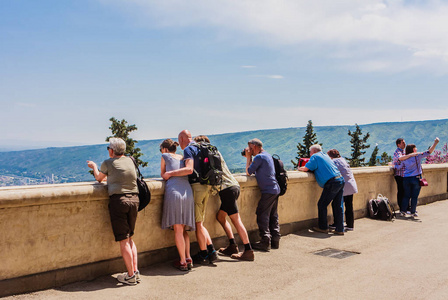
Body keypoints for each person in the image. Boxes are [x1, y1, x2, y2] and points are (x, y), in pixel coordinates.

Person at [87, 137, 140, 285]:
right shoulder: (130, 161)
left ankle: (130, 276)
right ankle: (135, 271)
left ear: (112, 150)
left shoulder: (108, 163)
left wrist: (94, 166)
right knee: (130, 238)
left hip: (119, 201)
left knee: (123, 239)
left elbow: (99, 178)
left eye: (108, 148)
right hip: (135, 199)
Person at [194, 135, 254, 261]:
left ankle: (248, 250)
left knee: (236, 220)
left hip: (226, 190)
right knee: (220, 216)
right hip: (233, 186)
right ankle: (232, 245)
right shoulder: (215, 153)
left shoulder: (206, 155)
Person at [162, 130, 217, 265]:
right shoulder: (198, 148)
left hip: (190, 189)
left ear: (181, 139)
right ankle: (200, 254)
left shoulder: (187, 150)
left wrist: (170, 173)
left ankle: (201, 254)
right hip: (202, 187)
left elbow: (189, 170)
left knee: (193, 225)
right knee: (192, 225)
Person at [160, 139, 195, 271]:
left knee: (178, 230)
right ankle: (188, 257)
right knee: (184, 229)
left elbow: (163, 175)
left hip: (174, 192)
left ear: (164, 149)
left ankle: (182, 262)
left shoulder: (165, 156)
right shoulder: (183, 157)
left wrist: (167, 174)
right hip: (187, 192)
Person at [298, 144, 345, 235]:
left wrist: (299, 168)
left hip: (331, 183)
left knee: (322, 204)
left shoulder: (315, 156)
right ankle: (340, 229)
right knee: (338, 205)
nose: (310, 154)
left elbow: (306, 168)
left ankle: (323, 227)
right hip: (340, 180)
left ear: (314, 151)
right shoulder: (325, 155)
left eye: (310, 152)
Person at [244, 138, 280, 251]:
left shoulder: (259, 157)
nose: (249, 150)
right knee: (273, 215)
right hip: (275, 188)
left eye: (250, 148)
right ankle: (275, 240)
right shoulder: (267, 155)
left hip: (268, 190)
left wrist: (248, 158)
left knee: (262, 214)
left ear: (254, 147)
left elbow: (248, 172)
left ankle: (265, 241)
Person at [398, 137, 439, 217]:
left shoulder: (405, 158)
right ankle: (413, 212)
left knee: (406, 195)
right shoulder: (417, 156)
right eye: (415, 148)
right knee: (414, 196)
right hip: (416, 178)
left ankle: (403, 211)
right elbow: (429, 152)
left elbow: (400, 166)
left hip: (406, 179)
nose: (416, 149)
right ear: (413, 150)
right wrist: (435, 143)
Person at [327, 149, 358, 231]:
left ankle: (337, 223)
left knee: (336, 204)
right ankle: (350, 225)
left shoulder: (334, 162)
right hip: (351, 184)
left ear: (330, 156)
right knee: (349, 205)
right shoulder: (343, 160)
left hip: (344, 186)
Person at [393, 138, 408, 211]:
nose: (404, 144)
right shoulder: (397, 152)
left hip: (405, 174)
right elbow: (400, 158)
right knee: (401, 191)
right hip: (399, 175)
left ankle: (407, 207)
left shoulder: (404, 152)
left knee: (406, 191)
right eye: (403, 143)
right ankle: (401, 207)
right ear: (398, 144)